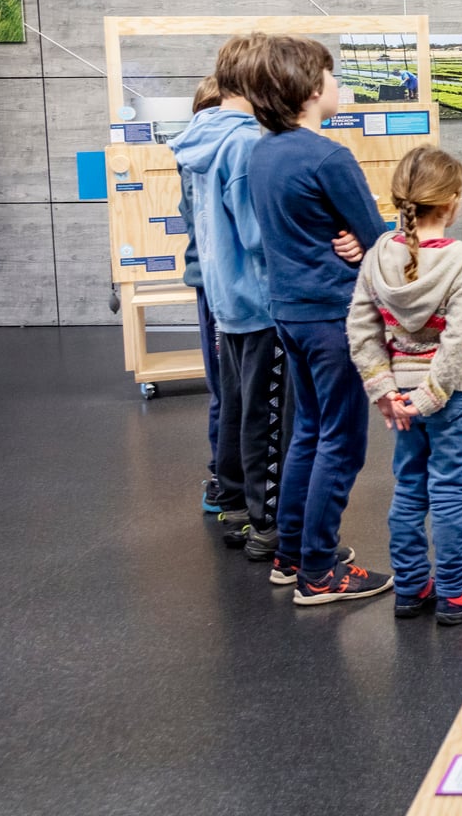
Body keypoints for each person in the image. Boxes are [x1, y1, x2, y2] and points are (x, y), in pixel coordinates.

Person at [246, 35, 394, 605]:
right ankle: (318, 572)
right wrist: (364, 240)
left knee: (308, 431)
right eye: (331, 75)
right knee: (343, 442)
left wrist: (356, 239)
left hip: (290, 312)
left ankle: (293, 554)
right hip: (335, 316)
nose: (338, 84)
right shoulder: (329, 157)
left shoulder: (263, 152)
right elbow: (378, 238)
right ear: (311, 88)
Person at [347, 145, 462, 626]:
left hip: (401, 397)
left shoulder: (377, 255)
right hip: (452, 395)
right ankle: (456, 591)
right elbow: (457, 340)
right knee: (449, 490)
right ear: (452, 201)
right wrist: (431, 398)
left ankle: (412, 586)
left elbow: (362, 331)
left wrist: (385, 392)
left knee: (409, 485)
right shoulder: (459, 259)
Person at [171, 41, 292, 565]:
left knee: (238, 404)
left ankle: (237, 503)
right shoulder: (243, 143)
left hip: (225, 297)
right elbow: (256, 234)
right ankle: (266, 524)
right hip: (258, 301)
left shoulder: (201, 136)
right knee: (265, 414)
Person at [179, 74, 226, 515]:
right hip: (225, 284)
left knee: (223, 386)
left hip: (209, 283)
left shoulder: (190, 149)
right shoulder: (226, 147)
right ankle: (223, 480)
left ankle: (222, 478)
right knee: (232, 387)